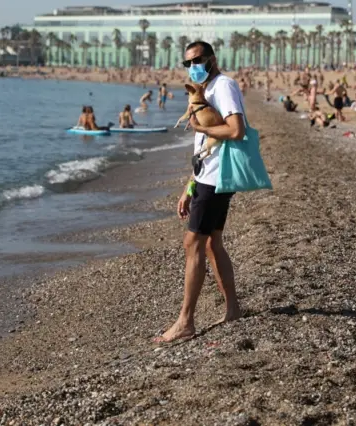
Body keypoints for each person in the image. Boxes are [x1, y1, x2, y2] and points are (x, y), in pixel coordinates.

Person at [155, 40, 245, 343]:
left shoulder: (223, 86)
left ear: (211, 58)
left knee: (193, 242)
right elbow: (204, 149)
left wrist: (202, 128)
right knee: (211, 243)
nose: (192, 66)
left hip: (218, 178)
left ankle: (185, 322)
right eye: (187, 62)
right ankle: (233, 309)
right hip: (207, 176)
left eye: (197, 60)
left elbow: (235, 130)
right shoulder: (205, 91)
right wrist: (188, 186)